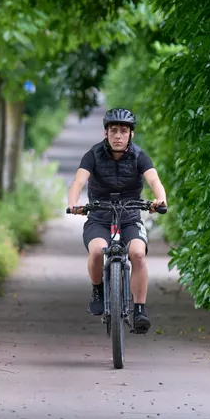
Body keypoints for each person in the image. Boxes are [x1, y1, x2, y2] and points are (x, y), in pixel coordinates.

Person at [66, 108, 167, 333]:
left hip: (130, 217)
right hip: (99, 217)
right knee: (97, 251)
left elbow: (154, 179)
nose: (118, 135)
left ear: (131, 134)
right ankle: (99, 290)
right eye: (113, 131)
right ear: (106, 133)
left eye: (123, 131)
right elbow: (78, 181)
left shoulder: (140, 156)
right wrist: (74, 204)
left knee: (138, 254)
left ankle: (139, 310)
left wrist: (160, 199)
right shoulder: (93, 155)